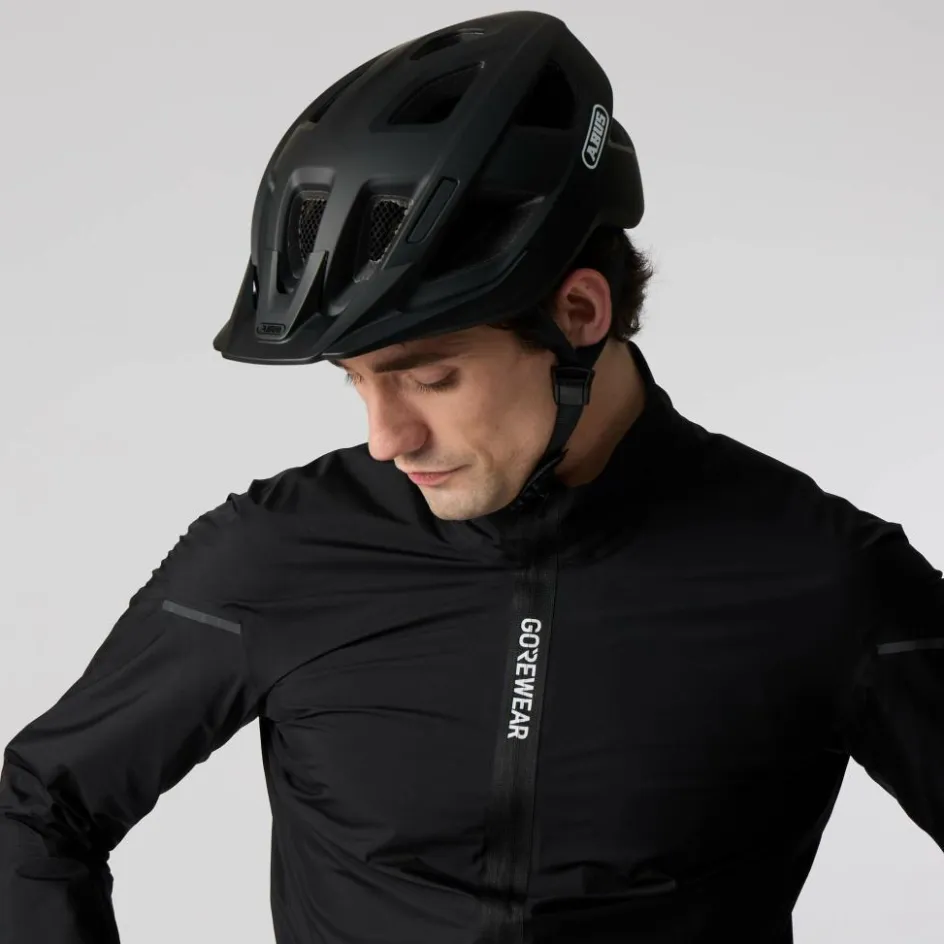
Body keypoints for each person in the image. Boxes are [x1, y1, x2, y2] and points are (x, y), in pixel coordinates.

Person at [1, 10, 941, 944]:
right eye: (355, 380)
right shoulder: (272, 556)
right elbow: (40, 812)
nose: (386, 439)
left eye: (429, 377)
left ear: (579, 315)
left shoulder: (820, 576)